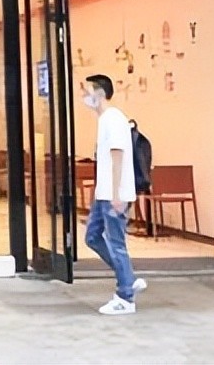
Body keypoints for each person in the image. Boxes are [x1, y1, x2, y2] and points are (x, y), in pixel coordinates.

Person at [81, 75, 145, 315]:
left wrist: (117, 194)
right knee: (92, 237)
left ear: (99, 94)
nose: (84, 96)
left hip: (113, 194)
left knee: (116, 243)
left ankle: (125, 297)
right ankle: (127, 277)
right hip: (104, 193)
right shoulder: (104, 119)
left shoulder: (113, 118)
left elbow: (117, 155)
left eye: (87, 91)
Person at [129, 119, 154, 237]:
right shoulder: (143, 141)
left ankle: (140, 224)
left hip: (135, 179)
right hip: (141, 179)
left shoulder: (138, 141)